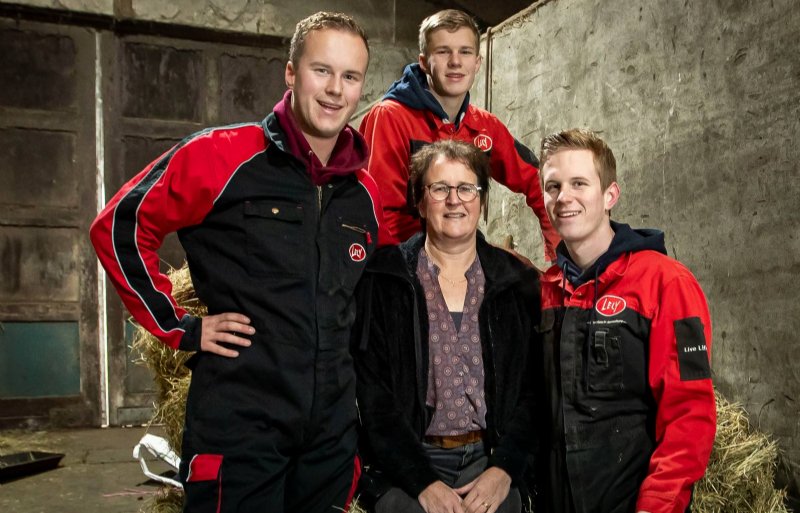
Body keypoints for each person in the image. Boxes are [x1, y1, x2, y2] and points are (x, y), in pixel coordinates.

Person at [90, 12, 382, 513]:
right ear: (290, 74)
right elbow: (118, 225)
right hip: (241, 423)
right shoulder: (221, 156)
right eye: (321, 71)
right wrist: (179, 326)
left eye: (350, 76)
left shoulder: (364, 195)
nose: (335, 90)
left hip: (329, 436)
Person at [352, 139, 541, 513]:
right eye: (440, 188)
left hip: (487, 458)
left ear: (481, 200)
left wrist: (504, 470)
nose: (454, 200)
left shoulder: (515, 283)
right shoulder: (386, 278)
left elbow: (533, 392)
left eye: (466, 188)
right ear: (420, 202)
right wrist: (421, 482)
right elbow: (374, 396)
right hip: (412, 459)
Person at [536, 128, 716, 513]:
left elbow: (690, 414)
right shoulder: (545, 292)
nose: (564, 197)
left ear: (609, 195)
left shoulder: (669, 284)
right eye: (553, 186)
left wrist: (658, 505)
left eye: (579, 183)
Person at [359, 9, 559, 260]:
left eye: (465, 52)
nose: (455, 61)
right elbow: (379, 214)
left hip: (457, 252)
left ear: (477, 62)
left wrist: (559, 258)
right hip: (403, 263)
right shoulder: (389, 117)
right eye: (443, 52)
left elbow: (539, 181)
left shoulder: (484, 125)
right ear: (423, 61)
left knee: (525, 275)